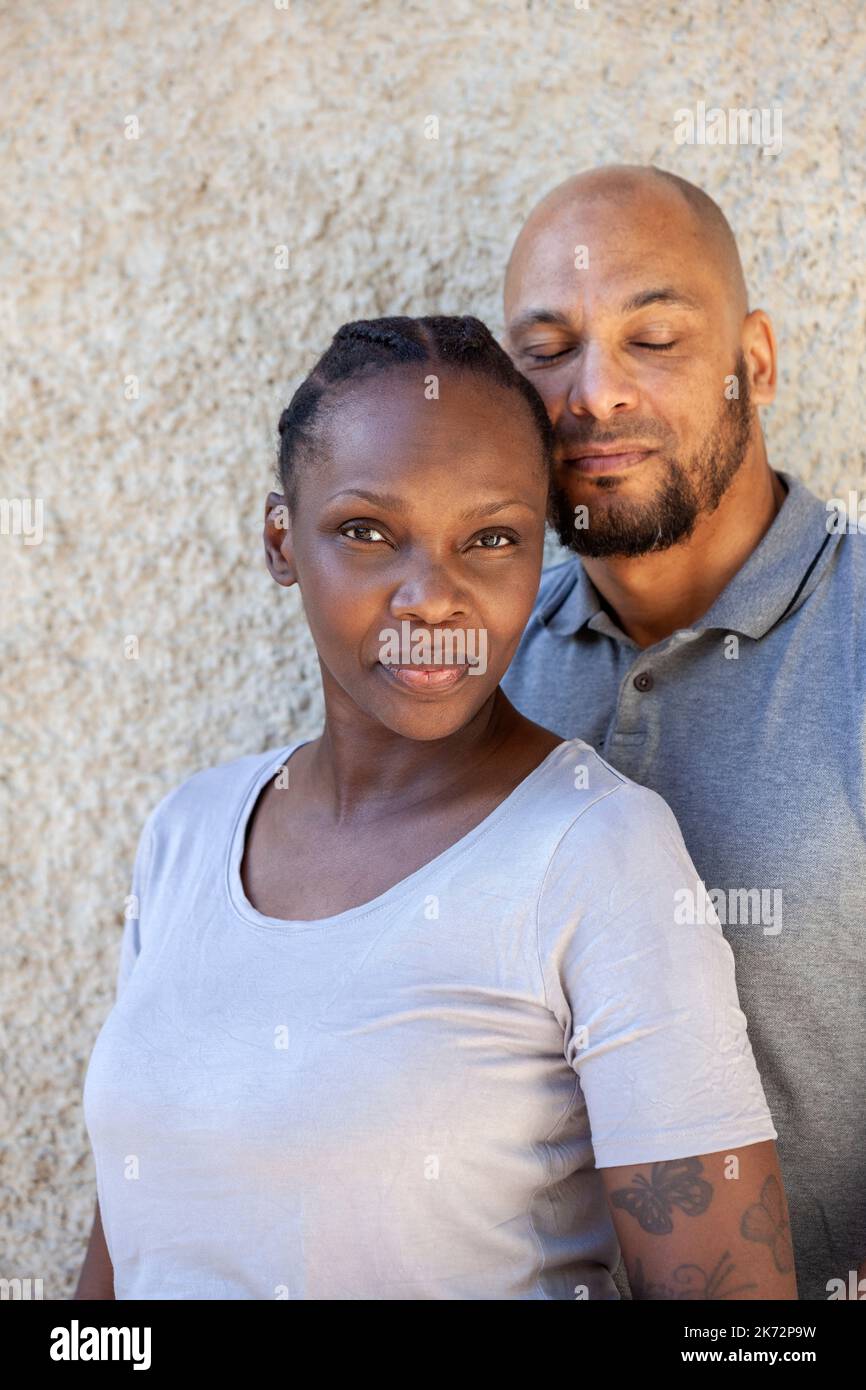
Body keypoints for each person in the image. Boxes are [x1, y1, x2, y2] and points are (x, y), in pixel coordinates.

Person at [77, 315, 795, 1301]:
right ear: (281, 539)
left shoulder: (596, 851)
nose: (430, 598)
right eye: (368, 531)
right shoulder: (189, 831)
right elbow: (127, 1251)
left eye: (490, 538)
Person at [499, 163, 866, 1301]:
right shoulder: (480, 668)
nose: (592, 394)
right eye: (546, 350)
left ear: (750, 361)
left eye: (650, 337)